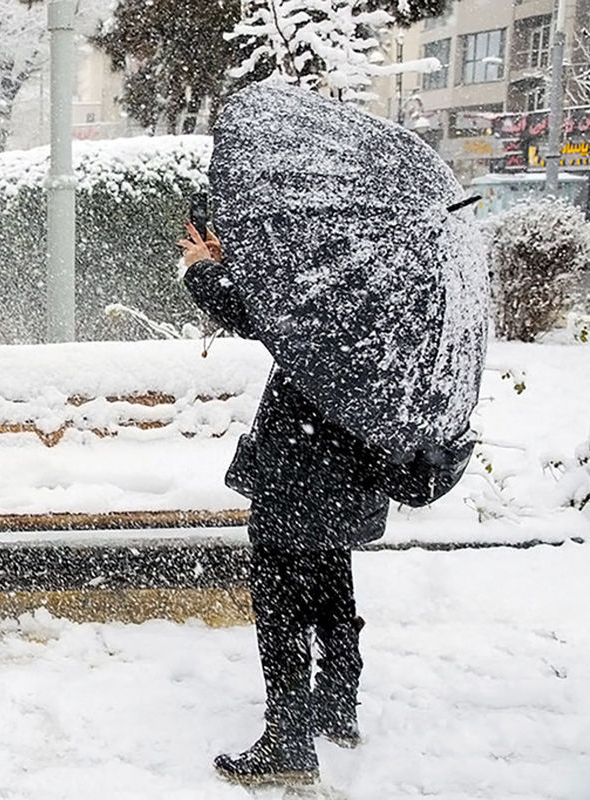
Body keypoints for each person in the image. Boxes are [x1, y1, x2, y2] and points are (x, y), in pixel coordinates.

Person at [177, 224, 472, 786]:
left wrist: (202, 270)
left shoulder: (344, 282)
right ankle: (336, 704)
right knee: (332, 581)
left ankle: (287, 742)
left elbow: (265, 318)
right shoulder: (400, 292)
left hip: (300, 469)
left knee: (281, 603)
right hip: (348, 470)